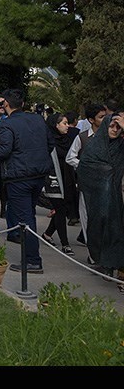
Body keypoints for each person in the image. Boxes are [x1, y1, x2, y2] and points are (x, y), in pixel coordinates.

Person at [0, 89, 53, 273]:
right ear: (23, 104)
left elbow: (4, 151)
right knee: (29, 214)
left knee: (25, 219)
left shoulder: (7, 124)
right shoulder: (38, 120)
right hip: (38, 174)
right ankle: (32, 257)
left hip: (19, 177)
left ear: (6, 105)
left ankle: (33, 260)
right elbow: (50, 143)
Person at [76, 113, 124, 287]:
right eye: (111, 126)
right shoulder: (95, 145)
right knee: (99, 229)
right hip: (98, 201)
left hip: (118, 201)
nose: (114, 130)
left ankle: (117, 269)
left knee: (117, 232)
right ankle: (104, 263)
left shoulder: (121, 146)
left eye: (118, 128)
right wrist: (106, 172)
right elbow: (84, 169)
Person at [66, 103, 107, 250]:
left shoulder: (111, 136)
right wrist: (84, 166)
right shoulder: (82, 137)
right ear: (91, 120)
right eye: (101, 117)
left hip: (107, 185)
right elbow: (70, 157)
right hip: (87, 185)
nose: (105, 120)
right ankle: (92, 251)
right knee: (87, 217)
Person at [41, 113, 76, 256]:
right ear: (55, 125)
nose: (67, 126)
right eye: (64, 123)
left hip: (68, 179)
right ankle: (65, 244)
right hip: (54, 180)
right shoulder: (48, 141)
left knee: (64, 208)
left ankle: (48, 234)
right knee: (60, 209)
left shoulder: (68, 139)